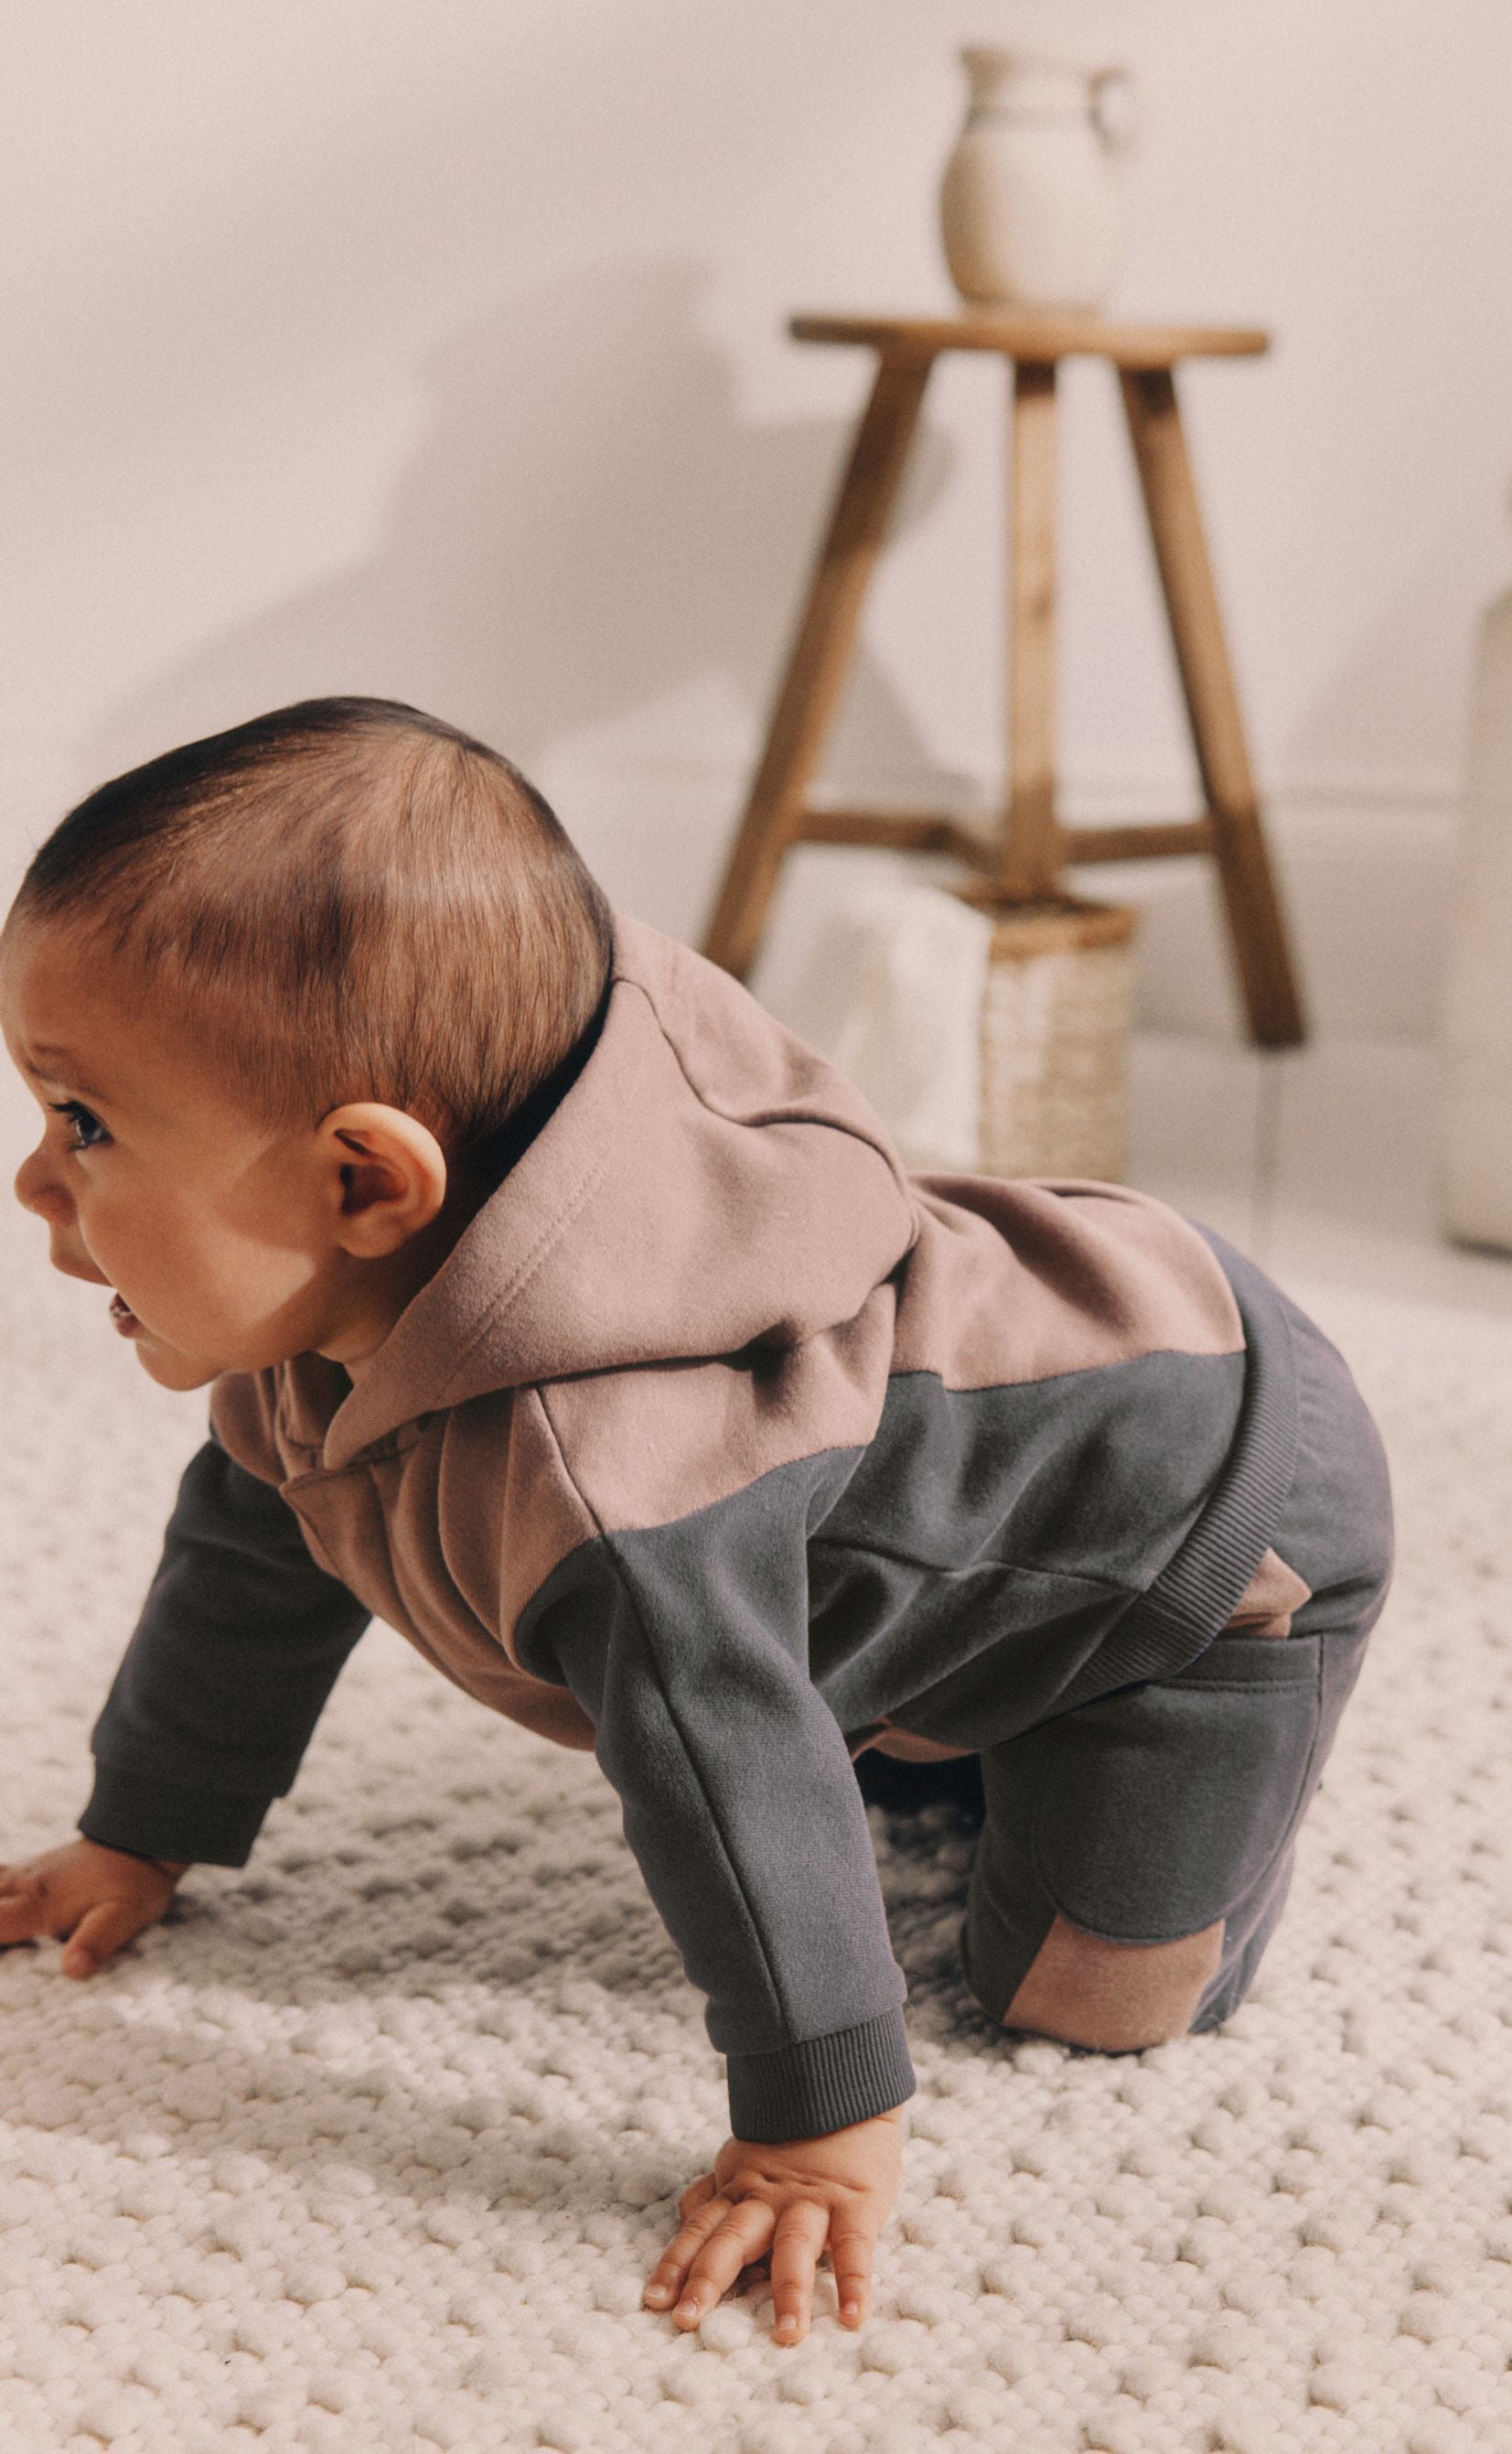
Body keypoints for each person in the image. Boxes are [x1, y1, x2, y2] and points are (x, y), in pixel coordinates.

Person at [0, 698, 1392, 2347]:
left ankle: (1116, 1729)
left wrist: (815, 2128)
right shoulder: (310, 1348)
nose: (33, 1181)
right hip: (999, 1472)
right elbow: (253, 1561)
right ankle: (941, 1691)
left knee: (1080, 2002)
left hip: (1217, 1520)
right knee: (827, 1666)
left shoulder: (611, 1487)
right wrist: (144, 1824)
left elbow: (729, 1772)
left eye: (84, 1126)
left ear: (367, 1185)